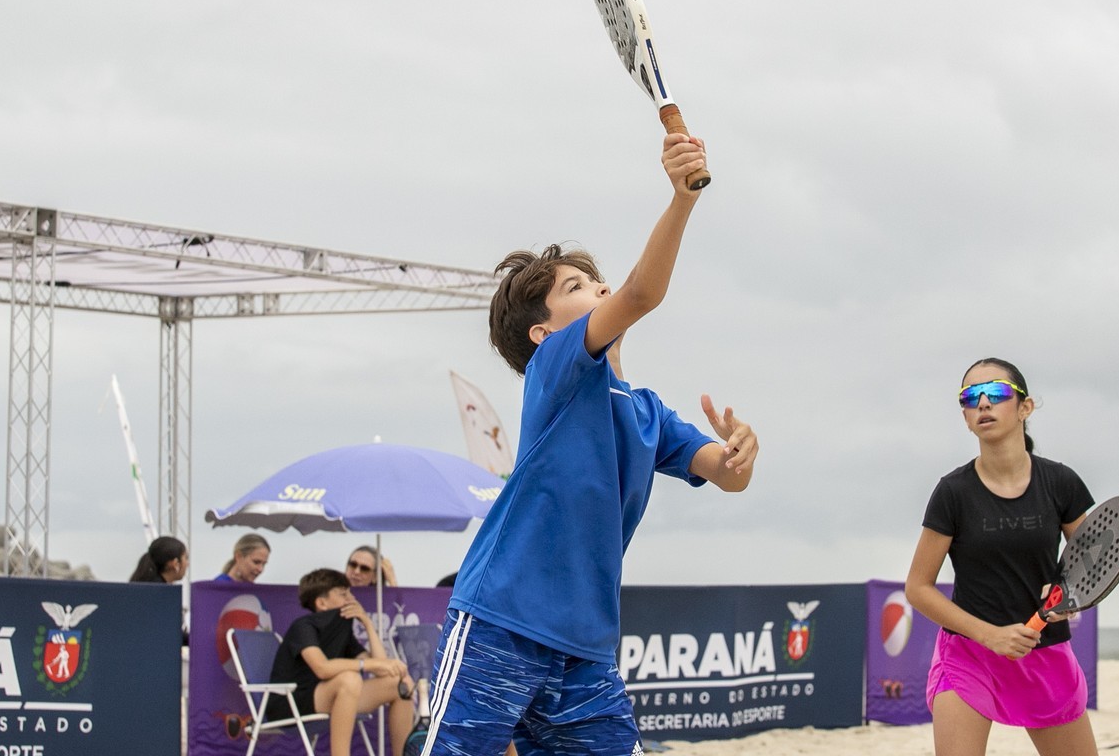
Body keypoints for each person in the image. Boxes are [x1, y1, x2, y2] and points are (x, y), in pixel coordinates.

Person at [420, 133, 760, 756]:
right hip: (501, 622)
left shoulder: (649, 413)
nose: (600, 288)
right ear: (543, 330)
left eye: (595, 279)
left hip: (585, 651)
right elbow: (641, 294)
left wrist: (740, 451)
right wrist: (682, 199)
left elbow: (727, 476)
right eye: (578, 284)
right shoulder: (555, 370)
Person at [905, 358, 1098, 756]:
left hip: (1044, 654)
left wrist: (1067, 596)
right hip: (969, 656)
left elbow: (1093, 562)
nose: (982, 404)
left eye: (995, 393)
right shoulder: (953, 492)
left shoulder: (1061, 482)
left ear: (1025, 408)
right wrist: (989, 635)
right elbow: (918, 588)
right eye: (970, 398)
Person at [267, 568, 415, 756]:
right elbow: (322, 669)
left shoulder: (342, 632)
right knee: (349, 679)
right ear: (322, 603)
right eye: (343, 594)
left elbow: (383, 671)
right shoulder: (303, 626)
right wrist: (371, 665)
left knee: (400, 684)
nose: (352, 599)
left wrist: (367, 623)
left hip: (330, 697)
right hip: (292, 701)